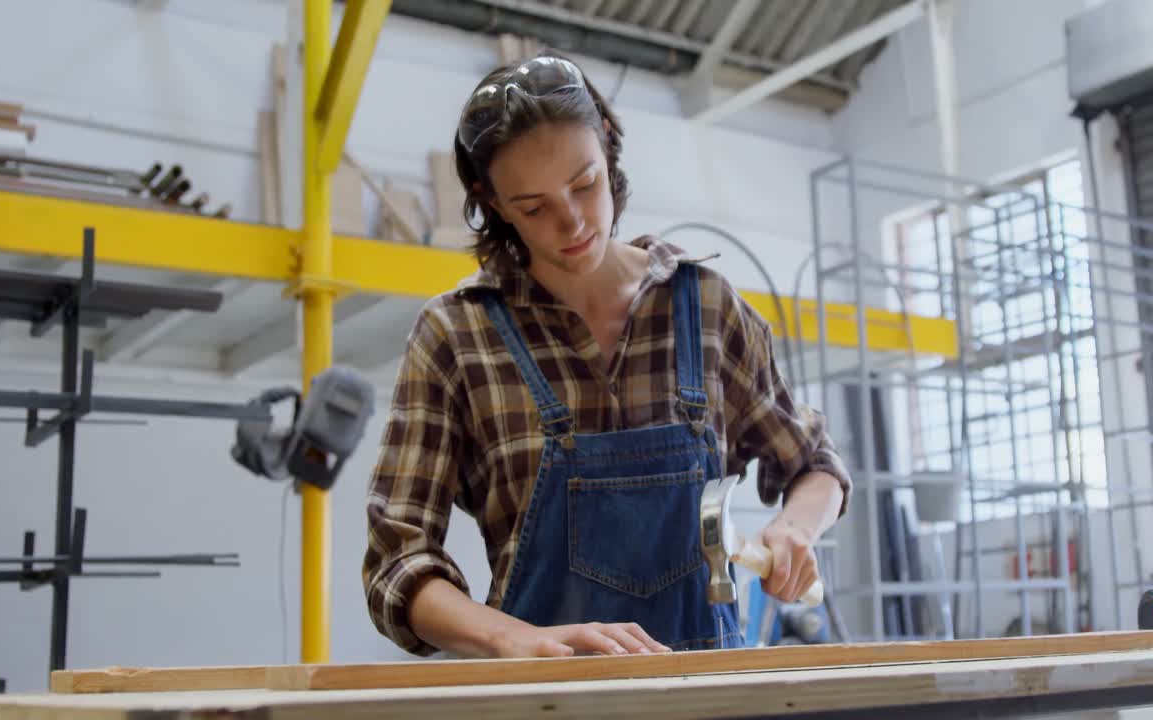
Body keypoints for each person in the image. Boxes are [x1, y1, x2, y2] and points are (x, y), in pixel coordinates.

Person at [362, 54, 851, 660]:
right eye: (534, 207)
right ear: (492, 203)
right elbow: (396, 561)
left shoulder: (706, 308)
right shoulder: (456, 338)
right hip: (544, 701)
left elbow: (815, 465)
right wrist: (516, 639)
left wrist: (798, 529)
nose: (571, 221)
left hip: (702, 698)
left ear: (609, 145)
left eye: (584, 183)